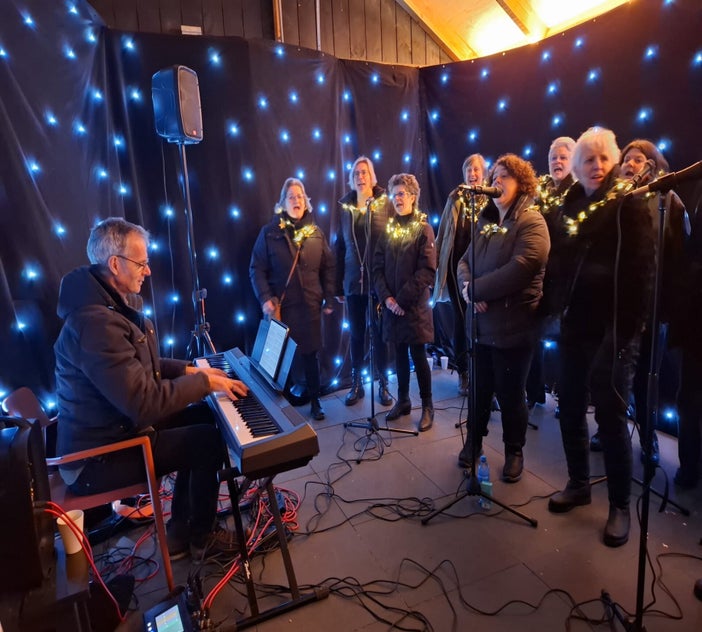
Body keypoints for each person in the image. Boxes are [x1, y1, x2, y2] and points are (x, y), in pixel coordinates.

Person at [53, 217, 248, 560]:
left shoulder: (108, 306)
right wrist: (203, 382)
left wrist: (190, 369)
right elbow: (144, 403)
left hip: (117, 432)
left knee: (204, 417)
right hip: (95, 461)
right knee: (205, 441)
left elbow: (142, 366)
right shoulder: (95, 323)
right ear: (115, 264)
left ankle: (181, 531)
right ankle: (202, 538)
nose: (148, 271)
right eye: (141, 263)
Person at [547, 127, 656, 547]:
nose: (596, 166)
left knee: (610, 416)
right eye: (588, 160)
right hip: (576, 324)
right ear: (578, 167)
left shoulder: (629, 203)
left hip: (616, 327)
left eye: (603, 159)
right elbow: (561, 264)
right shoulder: (570, 204)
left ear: (613, 161)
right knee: (570, 406)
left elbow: (643, 275)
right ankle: (578, 484)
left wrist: (625, 334)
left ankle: (620, 505)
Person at [589, 139, 688, 463]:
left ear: (653, 165)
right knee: (612, 376)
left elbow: (679, 261)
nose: (630, 164)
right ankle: (608, 430)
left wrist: (667, 309)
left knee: (646, 380)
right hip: (616, 309)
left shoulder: (669, 202)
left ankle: (648, 439)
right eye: (627, 159)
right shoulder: (615, 201)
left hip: (652, 310)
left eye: (638, 159)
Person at [456, 154, 550, 482]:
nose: (497, 181)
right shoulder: (485, 221)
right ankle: (473, 442)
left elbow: (524, 265)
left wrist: (477, 290)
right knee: (479, 390)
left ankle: (514, 451)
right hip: (481, 327)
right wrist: (469, 288)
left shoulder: (532, 221)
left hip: (514, 328)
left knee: (511, 395)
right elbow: (463, 261)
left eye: (505, 176)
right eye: (495, 175)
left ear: (522, 183)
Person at [249, 177, 335, 421]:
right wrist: (265, 298)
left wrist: (329, 298)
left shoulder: (316, 233)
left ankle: (315, 401)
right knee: (278, 359)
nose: (296, 200)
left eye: (300, 196)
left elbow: (329, 267)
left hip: (310, 307)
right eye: (291, 197)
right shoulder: (269, 233)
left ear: (306, 202)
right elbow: (256, 268)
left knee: (311, 355)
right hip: (283, 307)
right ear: (282, 203)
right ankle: (279, 407)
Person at [373, 173, 436, 432]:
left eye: (401, 194)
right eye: (394, 194)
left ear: (412, 197)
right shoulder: (388, 230)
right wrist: (387, 298)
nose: (397, 199)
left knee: (418, 356)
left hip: (414, 308)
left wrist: (400, 300)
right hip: (392, 306)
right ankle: (403, 400)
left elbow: (427, 270)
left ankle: (428, 406)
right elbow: (377, 268)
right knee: (398, 354)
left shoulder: (423, 229)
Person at [334, 156, 393, 407]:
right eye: (356, 173)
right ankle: (356, 384)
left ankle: (383, 384)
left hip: (377, 282)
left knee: (379, 334)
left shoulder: (385, 203)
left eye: (364, 172)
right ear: (352, 178)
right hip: (352, 283)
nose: (360, 177)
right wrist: (337, 285)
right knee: (357, 334)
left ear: (372, 177)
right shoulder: (345, 208)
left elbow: (391, 243)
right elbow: (339, 246)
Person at [433, 154, 489, 396]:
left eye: (476, 170)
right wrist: (436, 264)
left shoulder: (491, 198)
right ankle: (463, 373)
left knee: (482, 323)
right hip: (456, 270)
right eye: (468, 169)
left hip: (483, 272)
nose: (472, 174)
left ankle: (484, 376)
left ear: (484, 174)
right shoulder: (454, 198)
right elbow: (443, 232)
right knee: (460, 321)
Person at [527, 137, 576, 408]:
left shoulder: (579, 194)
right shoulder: (540, 194)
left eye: (563, 157)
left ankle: (567, 399)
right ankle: (534, 393)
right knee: (533, 338)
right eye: (553, 157)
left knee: (568, 345)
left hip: (566, 282)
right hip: (541, 278)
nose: (557, 162)